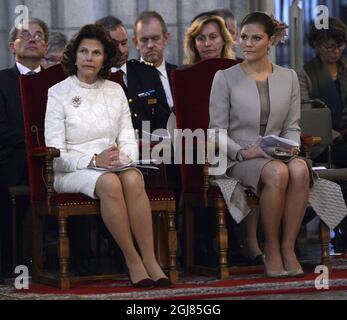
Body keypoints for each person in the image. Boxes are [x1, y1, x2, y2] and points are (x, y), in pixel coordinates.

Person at [44, 24, 171, 288]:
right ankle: (132, 259)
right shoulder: (58, 93)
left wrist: (123, 158)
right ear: (75, 56)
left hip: (114, 164)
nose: (89, 58)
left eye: (96, 53)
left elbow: (127, 136)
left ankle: (151, 260)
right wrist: (93, 161)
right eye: (84, 52)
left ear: (105, 58)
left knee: (134, 179)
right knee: (110, 183)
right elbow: (55, 153)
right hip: (73, 169)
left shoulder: (114, 90)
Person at [209, 12, 310, 277]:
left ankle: (289, 248)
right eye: (243, 37)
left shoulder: (289, 77)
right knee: (277, 172)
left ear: (270, 42)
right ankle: (272, 247)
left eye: (256, 38)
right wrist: (242, 152)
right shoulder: (225, 77)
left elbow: (292, 126)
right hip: (240, 158)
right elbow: (215, 132)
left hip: (278, 153)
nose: (248, 43)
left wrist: (293, 146)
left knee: (299, 169)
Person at [0, 18, 48, 276]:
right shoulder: (2, 80)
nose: (33, 39)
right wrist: (36, 142)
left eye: (38, 35)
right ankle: (10, 261)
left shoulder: (58, 83)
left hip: (54, 159)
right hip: (14, 160)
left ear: (46, 46)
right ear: (12, 46)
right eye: (25, 35)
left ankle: (78, 259)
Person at [297, 17, 347, 250]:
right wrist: (333, 131)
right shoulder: (305, 74)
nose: (336, 51)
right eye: (329, 46)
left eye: (340, 45)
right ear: (316, 45)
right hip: (323, 145)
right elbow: (308, 115)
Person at [96, 16, 170, 134]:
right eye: (114, 45)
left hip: (150, 148)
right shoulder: (94, 79)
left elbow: (163, 119)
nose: (122, 50)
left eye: (124, 43)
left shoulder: (147, 72)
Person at [133, 11, 177, 113]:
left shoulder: (179, 75)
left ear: (165, 38)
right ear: (136, 42)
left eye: (155, 38)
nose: (150, 45)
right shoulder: (127, 79)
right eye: (144, 40)